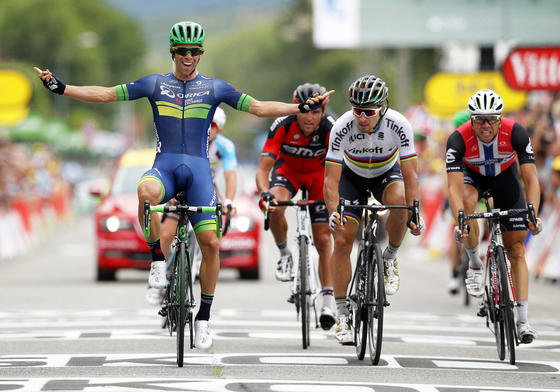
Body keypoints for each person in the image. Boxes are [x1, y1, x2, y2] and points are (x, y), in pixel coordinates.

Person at [34, 21, 333, 350]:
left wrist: (299, 108)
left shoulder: (216, 88)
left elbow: (259, 107)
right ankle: (157, 261)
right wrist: (62, 89)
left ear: (201, 54)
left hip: (200, 173)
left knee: (212, 244)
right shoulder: (154, 84)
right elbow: (106, 94)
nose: (188, 57)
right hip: (165, 167)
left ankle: (203, 317)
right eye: (182, 51)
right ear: (172, 52)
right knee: (145, 192)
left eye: (195, 52)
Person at [324, 75, 424, 344]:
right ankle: (343, 314)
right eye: (357, 110)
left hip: (385, 174)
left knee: (401, 202)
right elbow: (330, 181)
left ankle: (390, 257)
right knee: (343, 240)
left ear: (382, 108)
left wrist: (415, 211)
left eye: (368, 111)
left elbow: (411, 175)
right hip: (351, 177)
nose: (362, 117)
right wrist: (335, 212)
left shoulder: (399, 125)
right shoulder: (342, 127)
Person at [446, 89, 542, 344]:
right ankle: (475, 263)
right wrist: (460, 221)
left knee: (517, 249)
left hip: (505, 179)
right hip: (472, 177)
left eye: (491, 119)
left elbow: (531, 178)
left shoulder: (516, 132)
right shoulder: (458, 139)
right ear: (471, 119)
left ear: (500, 119)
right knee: (467, 203)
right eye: (479, 119)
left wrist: (532, 212)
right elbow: (454, 188)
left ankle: (522, 320)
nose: (485, 125)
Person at [255, 83, 337, 330]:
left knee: (323, 240)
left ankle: (328, 301)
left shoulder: (331, 127)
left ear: (323, 112)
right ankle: (284, 254)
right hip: (287, 173)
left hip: (319, 178)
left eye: (315, 112)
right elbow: (263, 168)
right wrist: (264, 193)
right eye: (304, 111)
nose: (309, 117)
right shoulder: (283, 124)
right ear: (296, 109)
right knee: (276, 206)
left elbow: (340, 168)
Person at [145, 106, 237, 305]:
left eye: (212, 126)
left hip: (207, 190)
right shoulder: (187, 141)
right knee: (167, 234)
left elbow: (231, 176)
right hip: (180, 189)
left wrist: (229, 201)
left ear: (219, 129)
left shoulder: (224, 147)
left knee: (212, 239)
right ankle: (163, 276)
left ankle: (199, 262)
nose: (207, 129)